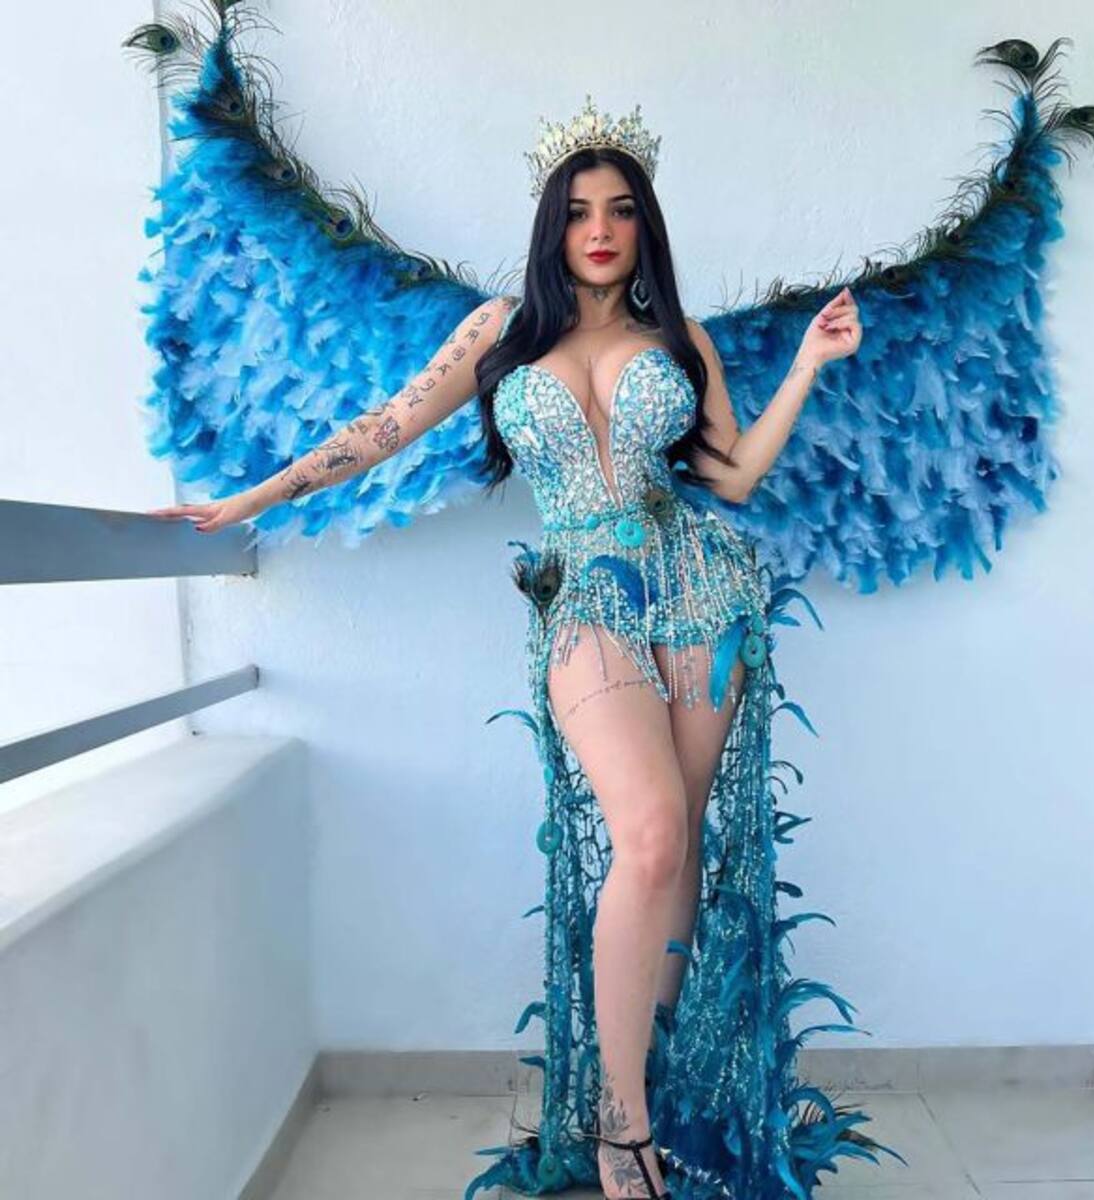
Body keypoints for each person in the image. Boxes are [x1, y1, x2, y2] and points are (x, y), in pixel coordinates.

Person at [149, 99, 877, 1200]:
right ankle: (619, 1125)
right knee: (645, 831)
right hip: (587, 599)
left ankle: (661, 1080)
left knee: (674, 851)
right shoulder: (500, 332)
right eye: (579, 211)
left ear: (644, 225)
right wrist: (248, 499)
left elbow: (732, 476)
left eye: (620, 210)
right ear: (552, 225)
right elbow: (384, 427)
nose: (600, 229)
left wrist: (812, 361)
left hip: (700, 595)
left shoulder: (681, 341)